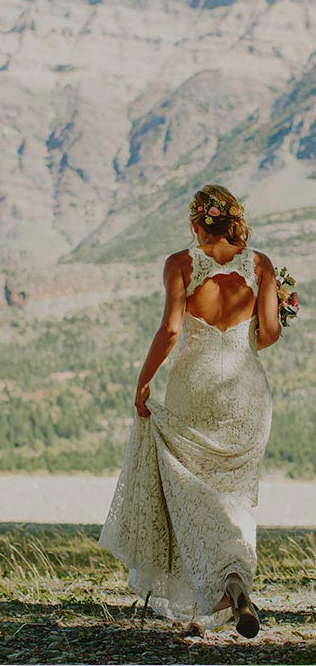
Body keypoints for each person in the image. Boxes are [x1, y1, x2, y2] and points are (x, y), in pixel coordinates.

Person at [98, 184, 281, 638]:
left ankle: (216, 588)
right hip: (245, 392)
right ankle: (232, 579)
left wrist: (144, 383)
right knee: (236, 494)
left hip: (194, 386)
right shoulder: (260, 265)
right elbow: (271, 333)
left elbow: (171, 329)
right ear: (232, 219)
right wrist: (244, 336)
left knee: (190, 492)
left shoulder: (180, 264)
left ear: (198, 221)